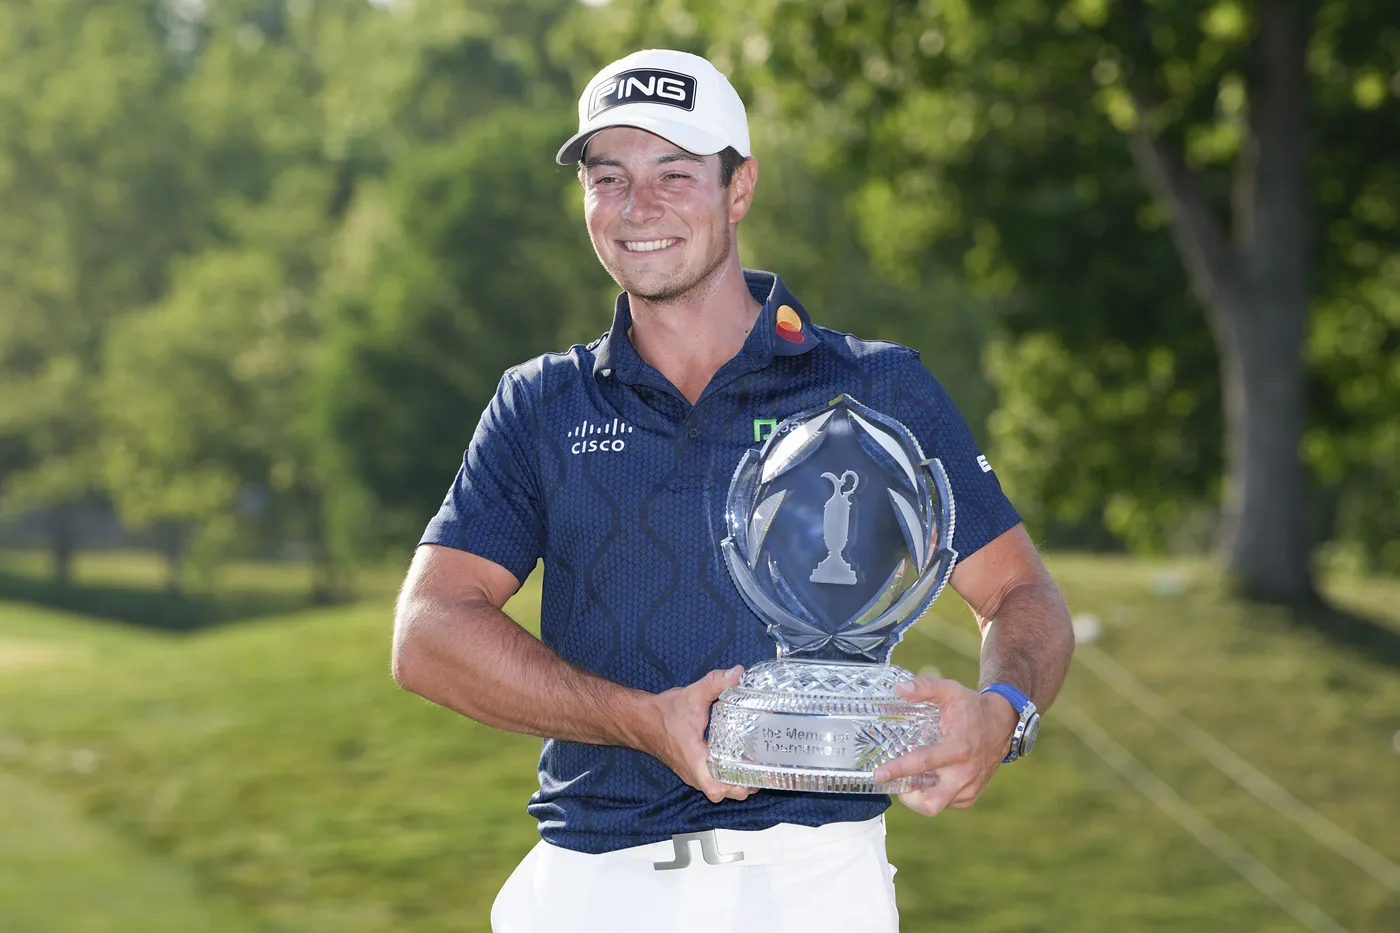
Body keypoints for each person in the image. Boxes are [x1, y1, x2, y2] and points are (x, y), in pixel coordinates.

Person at [392, 48, 1074, 933]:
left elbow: (1019, 591)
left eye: (674, 175)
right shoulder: (543, 403)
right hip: (592, 883)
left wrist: (1003, 713)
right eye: (608, 177)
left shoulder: (876, 387)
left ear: (739, 188)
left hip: (816, 885)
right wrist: (641, 720)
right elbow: (428, 633)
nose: (637, 207)